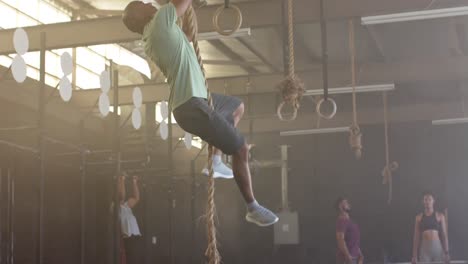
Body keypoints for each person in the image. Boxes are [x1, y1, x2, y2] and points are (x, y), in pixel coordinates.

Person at [122, 0, 278, 226]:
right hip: (191, 104)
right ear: (142, 14)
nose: (149, 3)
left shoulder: (157, 33)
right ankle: (252, 207)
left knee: (236, 106)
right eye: (144, 4)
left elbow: (185, 35)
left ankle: (216, 159)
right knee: (240, 149)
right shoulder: (158, 22)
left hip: (198, 100)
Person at [411, 191, 450, 264]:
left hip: (437, 248)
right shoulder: (418, 218)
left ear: (433, 201)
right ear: (423, 201)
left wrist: (446, 253)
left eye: (429, 199)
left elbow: (444, 235)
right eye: (425, 199)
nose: (427, 201)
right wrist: (414, 255)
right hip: (424, 250)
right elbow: (416, 237)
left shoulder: (440, 216)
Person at [118, 174, 142, 264]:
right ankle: (122, 178)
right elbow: (121, 196)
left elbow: (136, 198)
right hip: (127, 236)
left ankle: (124, 178)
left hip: (135, 235)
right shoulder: (118, 207)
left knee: (135, 258)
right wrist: (122, 180)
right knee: (130, 258)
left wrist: (134, 182)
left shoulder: (126, 206)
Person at [335, 197, 364, 264]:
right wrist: (348, 257)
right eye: (345, 202)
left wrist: (360, 254)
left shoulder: (350, 221)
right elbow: (340, 240)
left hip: (354, 257)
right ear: (340, 206)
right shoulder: (341, 221)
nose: (348, 204)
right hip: (347, 259)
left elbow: (354, 240)